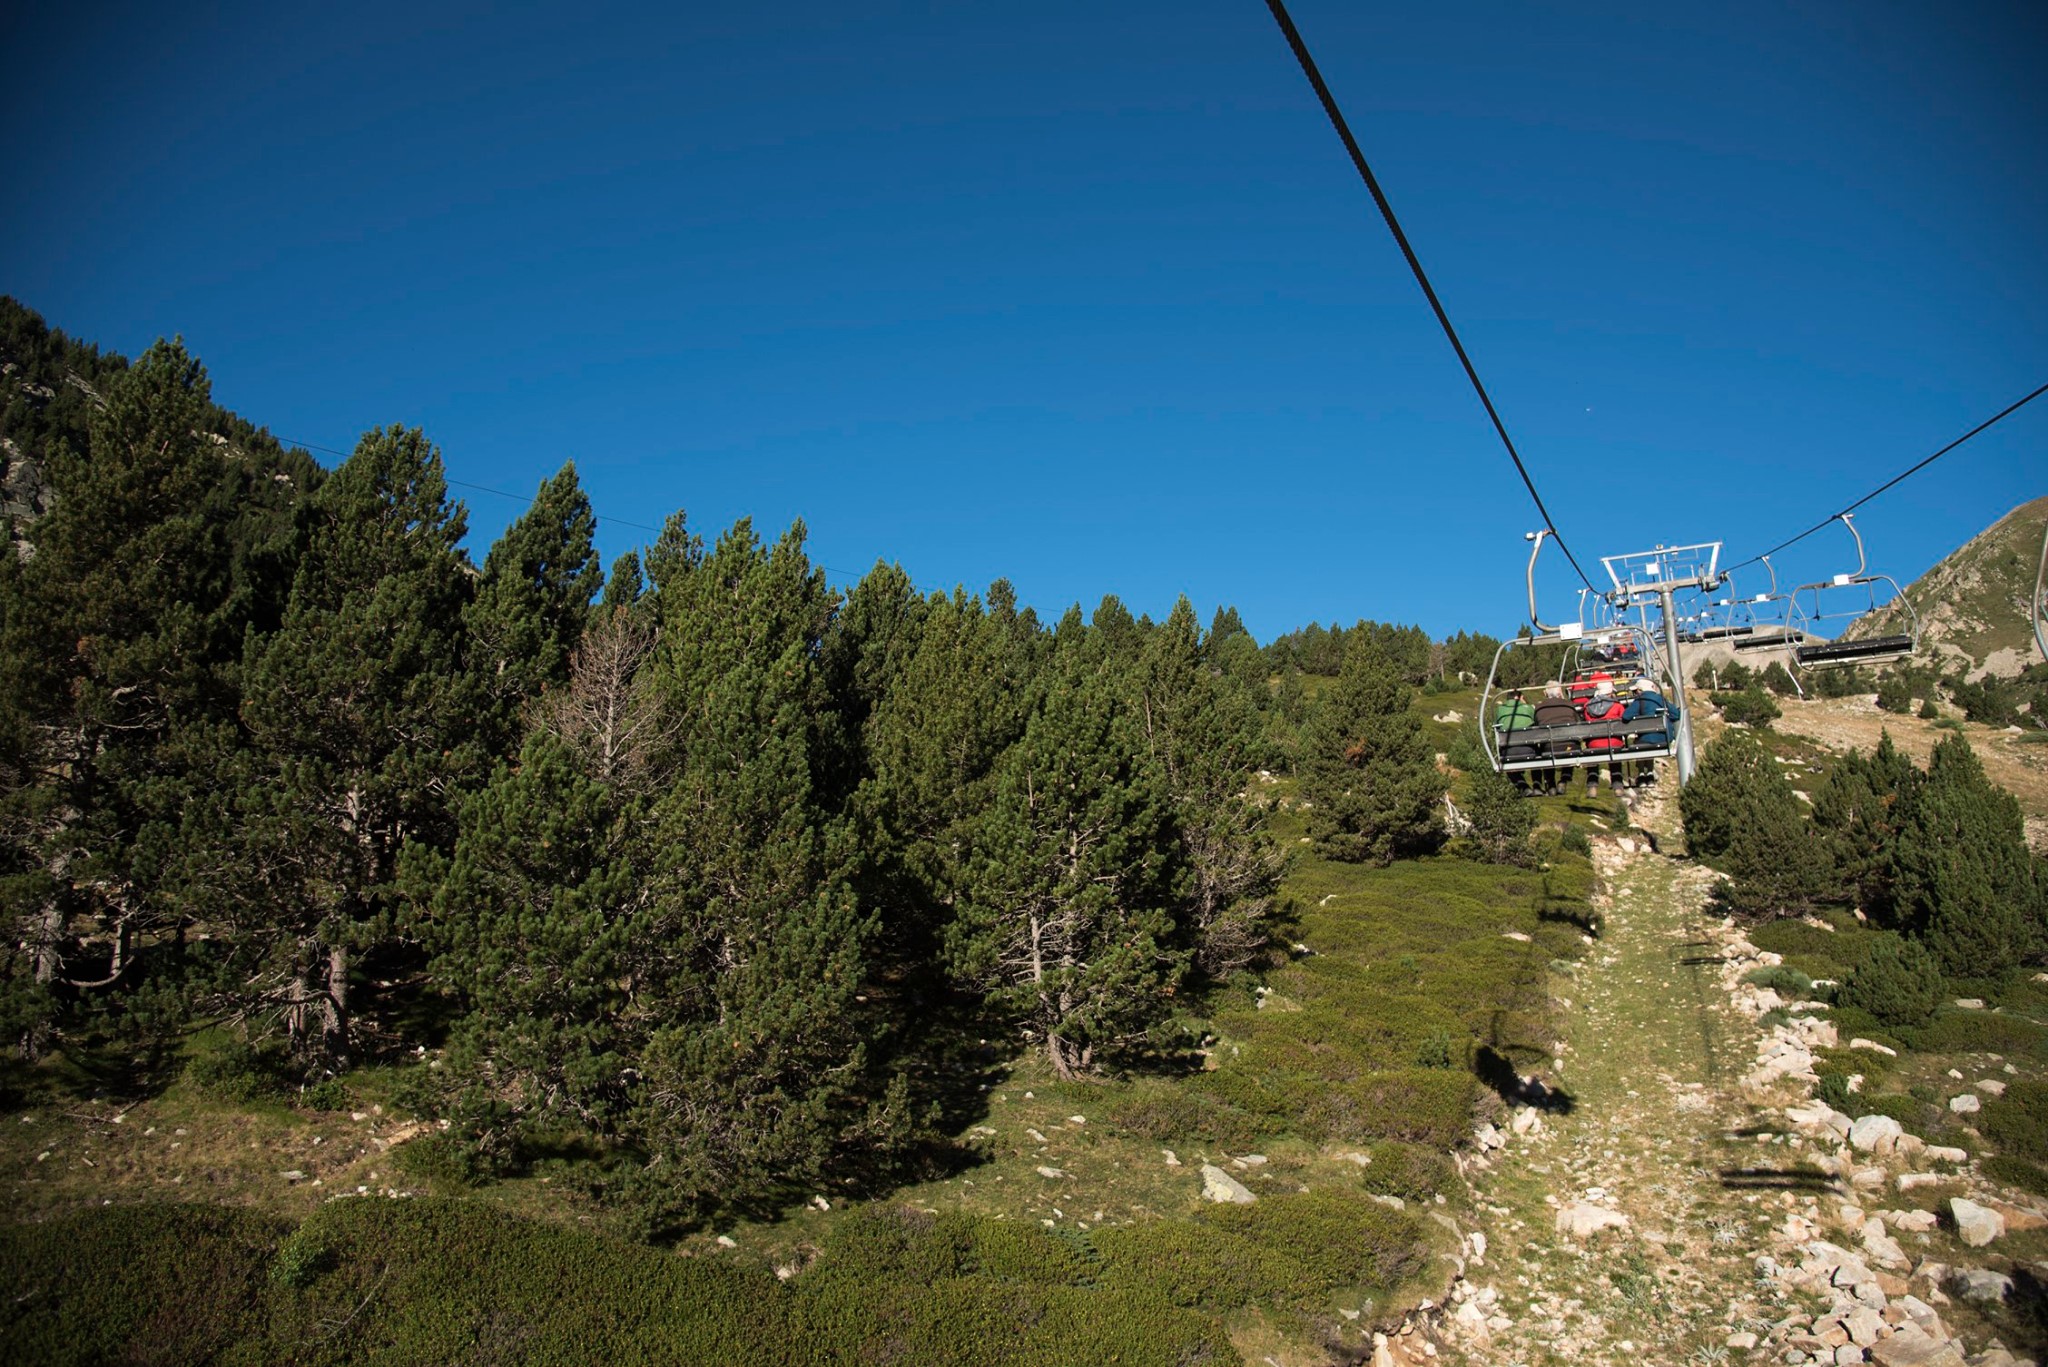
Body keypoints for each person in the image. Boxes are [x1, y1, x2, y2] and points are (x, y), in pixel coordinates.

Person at [1622, 677, 1674, 786]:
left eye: (1636, 691)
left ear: (1640, 690)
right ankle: (1650, 774)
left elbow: (1626, 716)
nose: (1635, 693)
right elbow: (1676, 714)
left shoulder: (1640, 701)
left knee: (1642, 742)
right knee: (1650, 742)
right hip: (1663, 738)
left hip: (1646, 739)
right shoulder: (1661, 699)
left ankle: (1641, 774)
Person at [1530, 681, 1579, 795]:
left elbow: (1537, 725)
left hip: (1549, 746)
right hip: (1569, 746)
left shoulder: (1539, 708)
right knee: (1571, 747)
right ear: (1560, 692)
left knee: (1546, 749)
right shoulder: (1569, 705)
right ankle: (1564, 779)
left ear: (1545, 693)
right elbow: (1577, 722)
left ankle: (1550, 783)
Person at [1582, 679, 1627, 793]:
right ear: (1610, 692)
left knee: (1592, 758)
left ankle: (1592, 785)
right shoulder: (1617, 706)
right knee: (1615, 758)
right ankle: (1617, 786)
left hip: (1594, 743)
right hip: (1613, 741)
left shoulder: (1587, 706)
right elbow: (1623, 723)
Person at [1495, 690, 1537, 791]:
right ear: (1518, 698)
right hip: (1528, 749)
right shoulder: (1528, 708)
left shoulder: (1500, 710)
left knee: (1508, 766)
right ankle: (1537, 786)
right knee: (1537, 761)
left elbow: (1497, 725)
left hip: (1508, 752)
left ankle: (1523, 787)